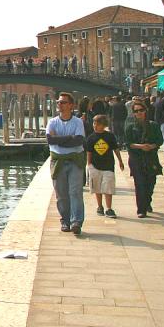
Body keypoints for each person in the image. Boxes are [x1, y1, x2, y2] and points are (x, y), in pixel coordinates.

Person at [47, 92, 87, 235]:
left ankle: (76, 221)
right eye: (58, 102)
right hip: (58, 161)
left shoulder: (78, 122)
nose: (60, 104)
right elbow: (50, 140)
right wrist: (69, 138)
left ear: (71, 105)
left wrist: (59, 139)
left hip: (75, 160)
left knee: (75, 192)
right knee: (61, 193)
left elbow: (78, 141)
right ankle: (65, 220)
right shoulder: (52, 122)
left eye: (63, 102)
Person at [124, 101, 163, 218]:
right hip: (137, 158)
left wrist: (152, 146)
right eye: (136, 111)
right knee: (140, 183)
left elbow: (160, 140)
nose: (139, 113)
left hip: (151, 158)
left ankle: (147, 202)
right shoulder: (130, 127)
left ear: (145, 111)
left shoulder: (154, 125)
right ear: (133, 113)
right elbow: (128, 143)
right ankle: (141, 209)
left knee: (151, 182)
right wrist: (141, 146)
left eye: (141, 110)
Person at [85, 114, 124, 218]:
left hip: (108, 165)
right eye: (94, 123)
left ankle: (109, 208)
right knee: (97, 187)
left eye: (97, 124)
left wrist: (120, 161)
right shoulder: (91, 138)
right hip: (95, 165)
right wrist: (89, 165)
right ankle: (100, 206)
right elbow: (89, 152)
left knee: (108, 187)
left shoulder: (110, 136)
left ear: (103, 125)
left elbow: (115, 149)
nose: (95, 126)